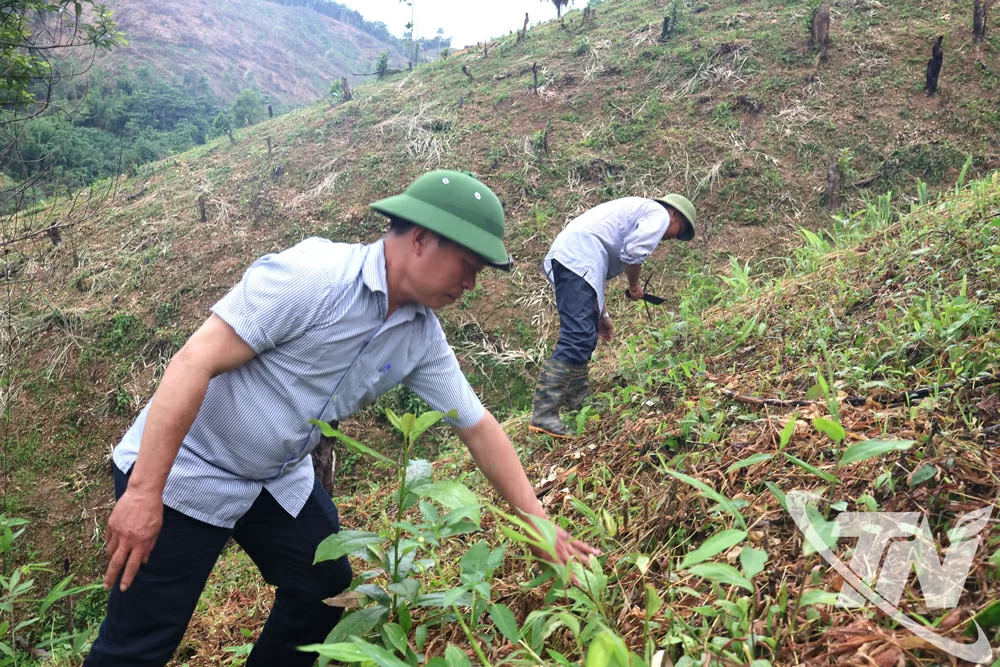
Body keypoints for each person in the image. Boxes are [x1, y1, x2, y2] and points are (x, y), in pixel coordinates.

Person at [85, 170, 598, 667]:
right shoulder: (313, 278)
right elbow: (194, 362)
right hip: (187, 470)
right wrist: (143, 493)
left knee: (323, 590)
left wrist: (540, 524)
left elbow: (477, 425)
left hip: (276, 477)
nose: (470, 283)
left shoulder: (419, 335)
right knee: (142, 642)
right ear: (420, 238)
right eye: (466, 264)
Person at [529, 194, 697, 438]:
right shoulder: (658, 213)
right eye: (677, 231)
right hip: (578, 257)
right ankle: (544, 414)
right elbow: (633, 253)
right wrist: (634, 286)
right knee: (576, 336)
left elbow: (596, 274)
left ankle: (578, 404)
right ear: (674, 214)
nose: (671, 238)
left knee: (585, 336)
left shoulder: (633, 213)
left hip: (577, 260)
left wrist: (602, 315)